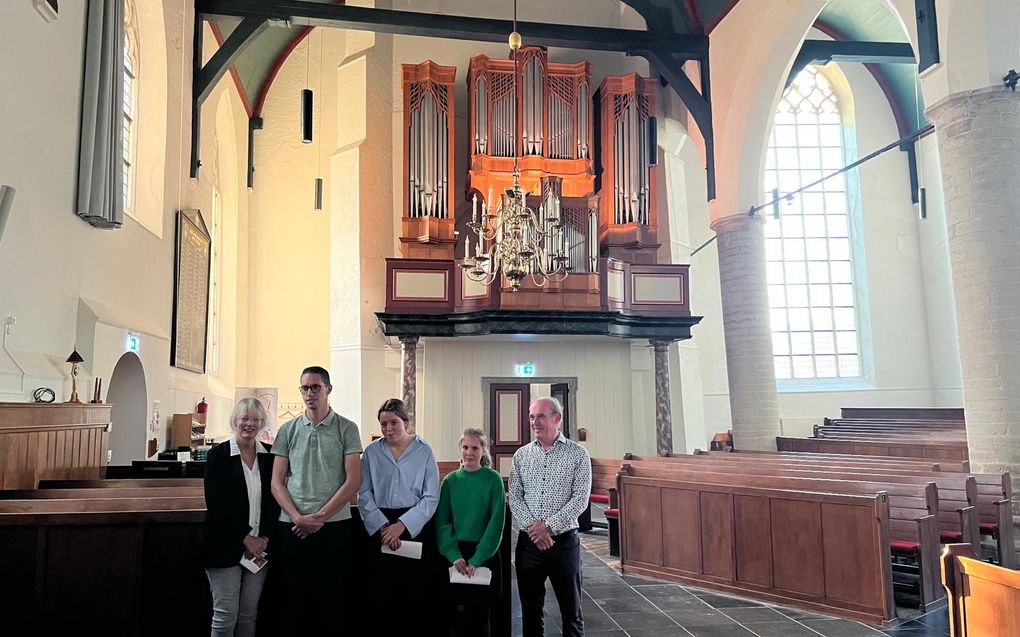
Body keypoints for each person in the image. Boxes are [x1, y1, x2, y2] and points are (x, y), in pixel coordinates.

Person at [270, 366, 363, 636]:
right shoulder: (288, 430)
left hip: (333, 526)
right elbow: (277, 482)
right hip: (292, 524)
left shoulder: (347, 428)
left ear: (328, 390)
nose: (310, 393)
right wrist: (298, 518)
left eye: (316, 387)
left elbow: (352, 481)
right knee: (295, 598)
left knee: (329, 598)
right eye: (305, 388)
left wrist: (318, 518)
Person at [509, 396, 592, 637]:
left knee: (571, 612)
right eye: (532, 416)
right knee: (531, 611)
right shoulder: (521, 455)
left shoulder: (578, 454)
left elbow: (580, 499)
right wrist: (534, 530)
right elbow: (514, 496)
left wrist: (549, 527)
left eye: (541, 416)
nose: (535, 421)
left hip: (564, 543)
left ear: (557, 418)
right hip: (529, 545)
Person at [358, 398, 441, 635]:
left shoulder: (424, 450)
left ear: (406, 422)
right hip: (380, 526)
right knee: (382, 592)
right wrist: (385, 527)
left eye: (393, 422)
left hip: (414, 525)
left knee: (414, 592)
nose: (388, 429)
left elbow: (431, 496)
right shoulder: (372, 452)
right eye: (383, 424)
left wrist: (402, 526)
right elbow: (364, 493)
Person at [202, 397, 279, 637]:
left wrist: (263, 538)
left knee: (248, 615)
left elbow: (274, 500)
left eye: (255, 419)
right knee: (225, 615)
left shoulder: (268, 456)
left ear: (262, 423)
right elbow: (217, 505)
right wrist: (246, 538)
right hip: (225, 547)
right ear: (235, 420)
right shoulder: (218, 456)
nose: (249, 424)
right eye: (245, 418)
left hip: (259, 549)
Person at [436, 428, 506, 637]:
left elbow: (496, 523)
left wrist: (477, 559)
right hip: (456, 554)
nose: (469, 452)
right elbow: (443, 522)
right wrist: (453, 555)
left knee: (480, 616)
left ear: (483, 451)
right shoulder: (450, 481)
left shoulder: (493, 480)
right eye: (465, 447)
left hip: (484, 554)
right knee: (456, 617)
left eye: (475, 448)